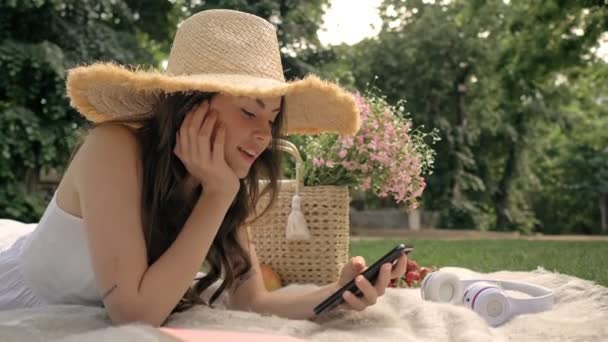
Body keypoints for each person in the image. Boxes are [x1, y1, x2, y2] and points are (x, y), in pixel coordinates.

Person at [0, 9, 408, 326]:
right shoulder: (113, 146)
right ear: (189, 106)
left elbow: (254, 301)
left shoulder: (222, 175)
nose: (265, 136)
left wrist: (336, 293)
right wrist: (217, 195)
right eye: (249, 111)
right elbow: (135, 314)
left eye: (271, 118)